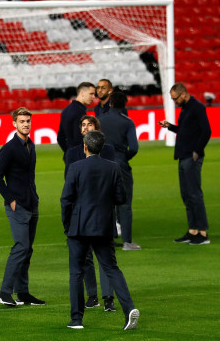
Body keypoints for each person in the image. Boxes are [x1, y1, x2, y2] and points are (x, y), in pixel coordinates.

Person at [61, 130, 139, 330]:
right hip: (103, 225)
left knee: (76, 273)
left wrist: (67, 225)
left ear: (85, 147)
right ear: (101, 148)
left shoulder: (75, 167)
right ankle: (129, 308)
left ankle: (77, 319)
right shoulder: (113, 168)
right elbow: (121, 199)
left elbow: (66, 199)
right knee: (111, 268)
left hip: (78, 227)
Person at [0, 107, 44, 307]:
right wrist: (11, 199)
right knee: (20, 247)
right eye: (22, 121)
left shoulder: (31, 145)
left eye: (28, 121)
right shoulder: (9, 148)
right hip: (18, 206)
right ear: (14, 123)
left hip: (32, 203)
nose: (26, 124)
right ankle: (4, 292)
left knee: (27, 250)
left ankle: (23, 293)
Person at [63, 115, 117, 311]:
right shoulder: (72, 153)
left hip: (100, 210)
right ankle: (92, 296)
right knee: (85, 258)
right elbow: (68, 184)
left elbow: (112, 181)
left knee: (105, 259)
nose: (86, 128)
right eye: (83, 125)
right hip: (81, 211)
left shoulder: (108, 151)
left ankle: (108, 298)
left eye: (90, 124)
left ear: (97, 128)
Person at [159, 82, 212, 245]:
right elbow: (184, 131)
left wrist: (197, 151)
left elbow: (207, 130)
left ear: (183, 94)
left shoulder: (197, 107)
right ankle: (192, 230)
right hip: (183, 156)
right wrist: (170, 127)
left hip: (191, 156)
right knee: (187, 195)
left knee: (194, 194)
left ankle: (202, 233)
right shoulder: (186, 108)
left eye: (175, 99)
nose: (174, 102)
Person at [99, 92, 141, 251]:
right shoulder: (127, 122)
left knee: (105, 202)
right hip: (120, 165)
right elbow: (134, 148)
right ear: (125, 105)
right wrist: (123, 158)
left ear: (110, 103)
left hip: (103, 164)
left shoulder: (100, 121)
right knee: (124, 203)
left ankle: (107, 239)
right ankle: (127, 242)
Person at [57, 82, 96, 155]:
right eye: (91, 94)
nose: (94, 97)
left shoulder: (66, 110)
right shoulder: (79, 111)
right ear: (82, 93)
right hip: (79, 156)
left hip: (70, 155)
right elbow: (79, 138)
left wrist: (68, 152)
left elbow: (60, 138)